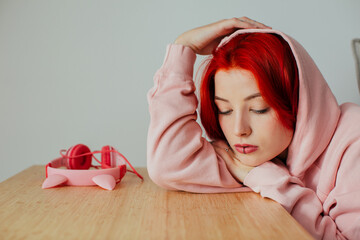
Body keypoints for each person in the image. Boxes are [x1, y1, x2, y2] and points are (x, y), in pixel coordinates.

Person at [147, 17, 360, 239]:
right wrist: (184, 48)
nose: (239, 130)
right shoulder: (250, 152)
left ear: (296, 100)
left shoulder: (353, 141)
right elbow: (169, 163)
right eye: (225, 110)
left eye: (259, 109)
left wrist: (261, 177)